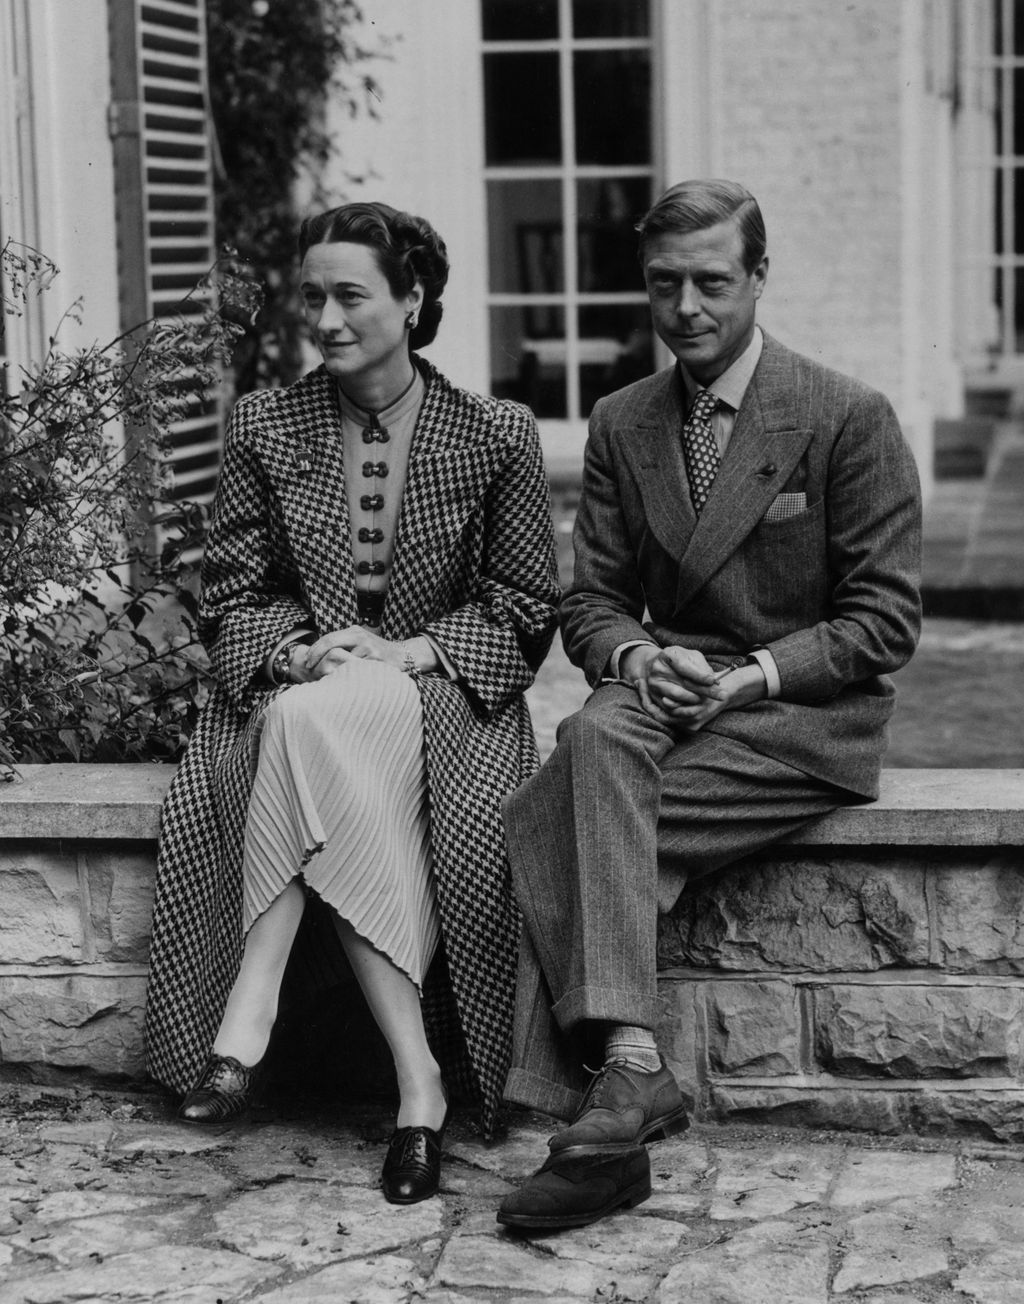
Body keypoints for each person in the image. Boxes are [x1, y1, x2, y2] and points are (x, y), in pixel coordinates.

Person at [497, 179, 922, 1230]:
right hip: (669, 692)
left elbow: (883, 620)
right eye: (663, 284)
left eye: (711, 283)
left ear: (759, 277)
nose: (685, 308)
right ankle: (630, 1072)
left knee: (553, 807)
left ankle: (607, 1092)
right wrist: (640, 657)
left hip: (797, 717)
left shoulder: (845, 415)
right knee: (597, 729)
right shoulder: (623, 420)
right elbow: (589, 602)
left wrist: (749, 674)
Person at [145, 201, 560, 1205]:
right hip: (308, 685)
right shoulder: (267, 423)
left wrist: (412, 649)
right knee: (306, 717)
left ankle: (249, 1010)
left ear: (413, 301)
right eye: (312, 297)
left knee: (304, 726)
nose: (325, 320)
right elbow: (230, 594)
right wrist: (295, 652)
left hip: (442, 697)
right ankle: (420, 1086)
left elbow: (525, 604)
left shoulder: (494, 432)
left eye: (350, 296)